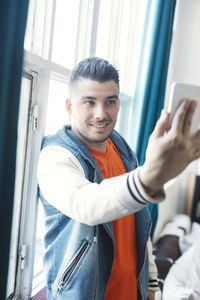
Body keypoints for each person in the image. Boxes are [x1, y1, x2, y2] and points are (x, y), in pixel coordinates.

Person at [37, 57, 200, 300]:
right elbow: (88, 205)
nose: (101, 113)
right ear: (70, 106)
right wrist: (150, 175)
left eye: (110, 101)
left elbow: (140, 224)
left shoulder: (121, 147)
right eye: (89, 102)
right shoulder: (55, 156)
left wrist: (151, 284)